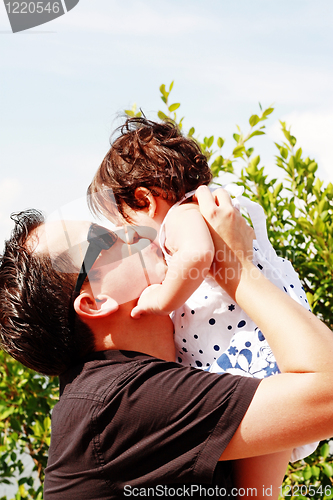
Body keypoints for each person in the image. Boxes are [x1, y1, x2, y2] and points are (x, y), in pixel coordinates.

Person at [1, 187, 333, 499]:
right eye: (101, 237)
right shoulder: (117, 404)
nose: (129, 231)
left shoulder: (149, 382)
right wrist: (237, 266)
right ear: (94, 302)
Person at [88, 117, 316, 461]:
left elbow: (198, 255)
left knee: (256, 470)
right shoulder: (205, 210)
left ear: (144, 200)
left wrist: (162, 299)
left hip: (245, 347)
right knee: (263, 467)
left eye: (126, 226)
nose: (130, 238)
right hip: (260, 342)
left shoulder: (181, 216)